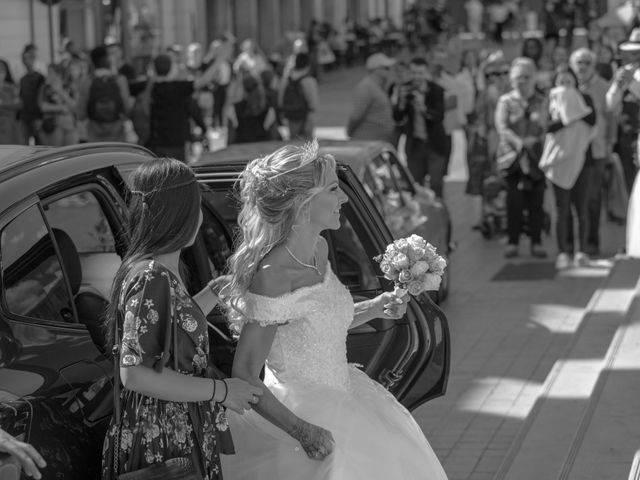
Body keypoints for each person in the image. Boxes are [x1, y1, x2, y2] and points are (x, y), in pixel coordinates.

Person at [219, 140, 448, 479]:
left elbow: (320, 319)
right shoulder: (273, 276)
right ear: (302, 203)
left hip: (349, 394)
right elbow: (246, 374)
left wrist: (375, 307)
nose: (344, 198)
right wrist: (301, 430)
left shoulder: (319, 248)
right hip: (301, 416)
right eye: (333, 189)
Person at [101, 158, 263, 479]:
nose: (201, 218)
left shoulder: (154, 269)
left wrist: (214, 291)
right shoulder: (152, 276)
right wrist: (222, 391)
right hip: (161, 441)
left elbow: (175, 328)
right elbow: (134, 374)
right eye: (196, 207)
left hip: (170, 431)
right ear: (179, 214)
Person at [543, 66, 597, 269]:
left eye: (569, 81)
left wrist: (574, 105)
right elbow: (548, 127)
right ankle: (563, 252)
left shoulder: (585, 99)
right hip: (559, 163)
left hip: (584, 162)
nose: (565, 86)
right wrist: (567, 115)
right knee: (562, 209)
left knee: (581, 208)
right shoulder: (550, 102)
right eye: (561, 82)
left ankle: (582, 251)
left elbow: (592, 119)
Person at [495, 57, 549, 259]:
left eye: (527, 77)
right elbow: (502, 127)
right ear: (512, 79)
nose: (523, 81)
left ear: (534, 77)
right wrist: (520, 142)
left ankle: (536, 241)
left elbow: (546, 125)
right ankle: (513, 242)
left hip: (537, 159)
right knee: (514, 203)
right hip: (512, 160)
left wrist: (535, 140)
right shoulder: (506, 101)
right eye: (519, 77)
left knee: (537, 202)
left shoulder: (543, 100)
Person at [569, 48, 616, 256]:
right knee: (572, 199)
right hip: (572, 149)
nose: (583, 66)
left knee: (593, 198)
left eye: (587, 62)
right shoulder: (567, 86)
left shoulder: (604, 87)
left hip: (596, 150)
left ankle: (591, 243)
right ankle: (571, 244)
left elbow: (612, 118)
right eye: (579, 62)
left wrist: (610, 144)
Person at [143, 54, 220, 160]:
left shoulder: (150, 88)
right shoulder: (179, 88)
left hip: (155, 144)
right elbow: (203, 81)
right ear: (170, 69)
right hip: (176, 144)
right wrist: (219, 60)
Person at [392, 56, 448, 198]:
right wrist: (402, 103)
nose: (417, 77)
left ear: (426, 72)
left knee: (436, 184)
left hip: (435, 144)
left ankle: (438, 213)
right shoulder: (405, 88)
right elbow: (397, 117)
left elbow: (439, 116)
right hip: (415, 144)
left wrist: (423, 108)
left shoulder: (436, 90)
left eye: (420, 73)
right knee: (415, 185)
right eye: (414, 73)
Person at [466, 53, 510, 230]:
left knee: (505, 178)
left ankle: (506, 215)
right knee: (487, 177)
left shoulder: (512, 94)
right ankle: (487, 215)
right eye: (491, 74)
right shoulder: (484, 94)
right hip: (489, 139)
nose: (496, 78)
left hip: (507, 139)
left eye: (502, 73)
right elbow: (478, 116)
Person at [606, 29, 640, 197]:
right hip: (628, 137)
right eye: (632, 53)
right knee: (631, 186)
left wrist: (632, 83)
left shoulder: (631, 75)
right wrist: (619, 86)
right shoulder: (624, 72)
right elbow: (610, 105)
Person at [77, 45, 132, 142]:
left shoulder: (87, 81)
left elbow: (81, 114)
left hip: (94, 135)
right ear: (107, 59)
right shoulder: (120, 80)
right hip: (117, 134)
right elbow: (127, 109)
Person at [346, 53, 396, 144]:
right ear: (376, 70)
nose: (389, 71)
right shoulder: (366, 87)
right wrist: (349, 132)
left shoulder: (378, 86)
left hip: (376, 141)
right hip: (366, 141)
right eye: (386, 68)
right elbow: (356, 115)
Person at [279, 52, 318, 140]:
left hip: (291, 116)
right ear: (308, 65)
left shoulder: (286, 80)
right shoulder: (310, 81)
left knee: (293, 143)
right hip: (306, 116)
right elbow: (313, 103)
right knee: (307, 146)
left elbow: (280, 100)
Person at [37, 63, 78, 146]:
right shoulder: (45, 88)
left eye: (51, 72)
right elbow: (43, 106)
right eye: (48, 72)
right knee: (57, 152)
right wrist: (61, 108)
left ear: (59, 73)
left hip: (70, 124)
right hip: (53, 124)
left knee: (72, 152)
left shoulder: (69, 86)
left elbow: (74, 105)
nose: (48, 75)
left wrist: (60, 91)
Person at [18, 44, 45, 145]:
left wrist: (40, 117)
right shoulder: (22, 79)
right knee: (24, 145)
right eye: (24, 58)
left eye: (28, 58)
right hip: (25, 116)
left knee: (40, 144)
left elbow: (41, 98)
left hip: (36, 116)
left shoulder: (40, 77)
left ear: (33, 59)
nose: (25, 61)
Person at [0, 59, 22, 144]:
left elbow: (18, 105)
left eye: (2, 70)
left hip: (10, 126)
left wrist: (3, 104)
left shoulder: (12, 87)